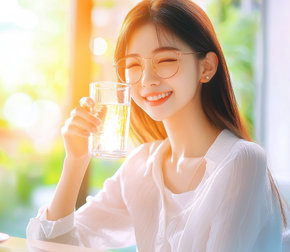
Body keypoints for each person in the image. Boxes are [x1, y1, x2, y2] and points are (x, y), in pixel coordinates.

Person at [26, 0, 286, 251]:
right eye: (134, 65)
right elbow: (52, 248)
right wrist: (75, 161)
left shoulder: (241, 161)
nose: (147, 79)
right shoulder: (142, 166)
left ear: (206, 67)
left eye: (166, 60)